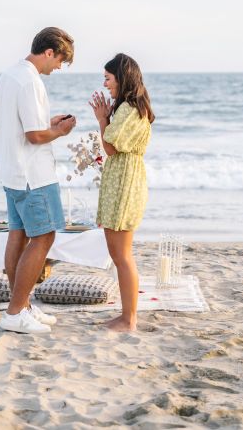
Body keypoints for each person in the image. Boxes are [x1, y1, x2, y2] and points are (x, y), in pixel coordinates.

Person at [0, 27, 76, 334]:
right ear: (49, 52)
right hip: (33, 175)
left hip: (12, 171)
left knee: (18, 235)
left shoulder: (9, 76)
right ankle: (16, 312)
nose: (59, 68)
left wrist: (49, 124)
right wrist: (60, 131)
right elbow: (34, 135)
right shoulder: (30, 81)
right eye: (60, 61)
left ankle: (21, 306)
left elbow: (23, 126)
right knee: (43, 238)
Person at [89, 53, 154, 332]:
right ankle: (127, 316)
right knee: (120, 254)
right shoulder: (131, 107)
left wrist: (102, 119)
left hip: (124, 184)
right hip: (125, 179)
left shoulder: (128, 108)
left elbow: (111, 147)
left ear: (122, 77)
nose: (105, 84)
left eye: (108, 78)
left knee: (122, 255)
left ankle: (129, 319)